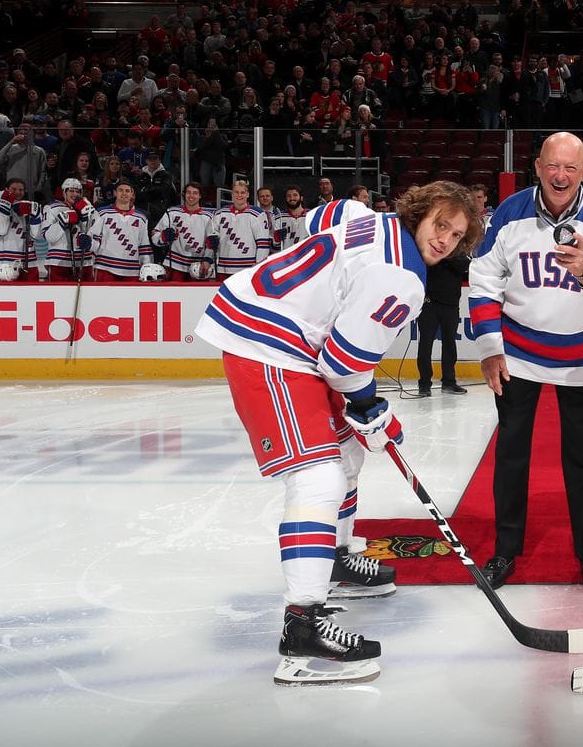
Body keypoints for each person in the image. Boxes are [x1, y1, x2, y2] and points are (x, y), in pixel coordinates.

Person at [193, 181, 481, 686]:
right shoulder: (401, 277)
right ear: (419, 212)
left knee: (348, 448)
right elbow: (345, 365)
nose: (444, 240)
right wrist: (372, 410)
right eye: (440, 223)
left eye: (456, 235)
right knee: (319, 478)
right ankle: (302, 626)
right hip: (271, 346)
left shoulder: (363, 214)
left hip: (285, 332)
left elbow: (315, 221)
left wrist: (363, 416)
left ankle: (337, 559)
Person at [468, 131, 583, 592]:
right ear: (537, 167)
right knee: (511, 454)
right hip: (517, 356)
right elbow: (483, 282)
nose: (560, 176)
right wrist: (490, 348)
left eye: (571, 168)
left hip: (580, 357)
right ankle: (505, 551)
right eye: (552, 166)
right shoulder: (508, 213)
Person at [415, 247, 471, 397]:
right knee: (425, 344)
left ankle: (449, 382)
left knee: (449, 344)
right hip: (429, 304)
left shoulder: (459, 252)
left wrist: (447, 254)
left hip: (451, 306)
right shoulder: (430, 250)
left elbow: (465, 266)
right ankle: (424, 384)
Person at [205, 181, 271, 281]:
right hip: (223, 268)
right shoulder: (220, 213)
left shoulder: (257, 214)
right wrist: (211, 244)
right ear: (232, 194)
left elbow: (263, 244)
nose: (239, 195)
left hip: (247, 269)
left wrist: (259, 265)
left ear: (248, 194)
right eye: (236, 192)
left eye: (242, 192)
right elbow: (211, 236)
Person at [89, 181, 151, 281]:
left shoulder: (141, 218)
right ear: (115, 193)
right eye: (120, 190)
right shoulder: (102, 213)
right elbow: (93, 240)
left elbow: (144, 246)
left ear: (132, 194)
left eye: (127, 191)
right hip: (105, 267)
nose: (124, 193)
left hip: (132, 270)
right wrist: (87, 242)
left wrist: (147, 267)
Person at [154, 182, 214, 281]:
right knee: (173, 296)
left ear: (200, 196)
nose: (191, 196)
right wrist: (163, 237)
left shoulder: (208, 217)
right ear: (184, 194)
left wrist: (207, 260)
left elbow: (211, 243)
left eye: (195, 193)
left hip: (198, 266)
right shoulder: (172, 213)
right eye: (188, 192)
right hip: (174, 264)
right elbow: (154, 235)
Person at [0, 177, 41, 281]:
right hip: (2, 264)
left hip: (28, 263)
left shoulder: (29, 208)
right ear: (6, 190)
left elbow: (36, 236)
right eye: (14, 189)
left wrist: (35, 216)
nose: (17, 192)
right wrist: (3, 207)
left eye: (21, 190)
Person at [41, 178, 95, 281]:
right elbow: (49, 237)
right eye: (71, 190)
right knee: (59, 296)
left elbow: (92, 233)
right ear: (64, 192)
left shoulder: (88, 208)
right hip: (58, 262)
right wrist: (62, 221)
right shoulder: (52, 208)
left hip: (84, 262)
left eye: (78, 191)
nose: (75, 194)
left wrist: (84, 219)